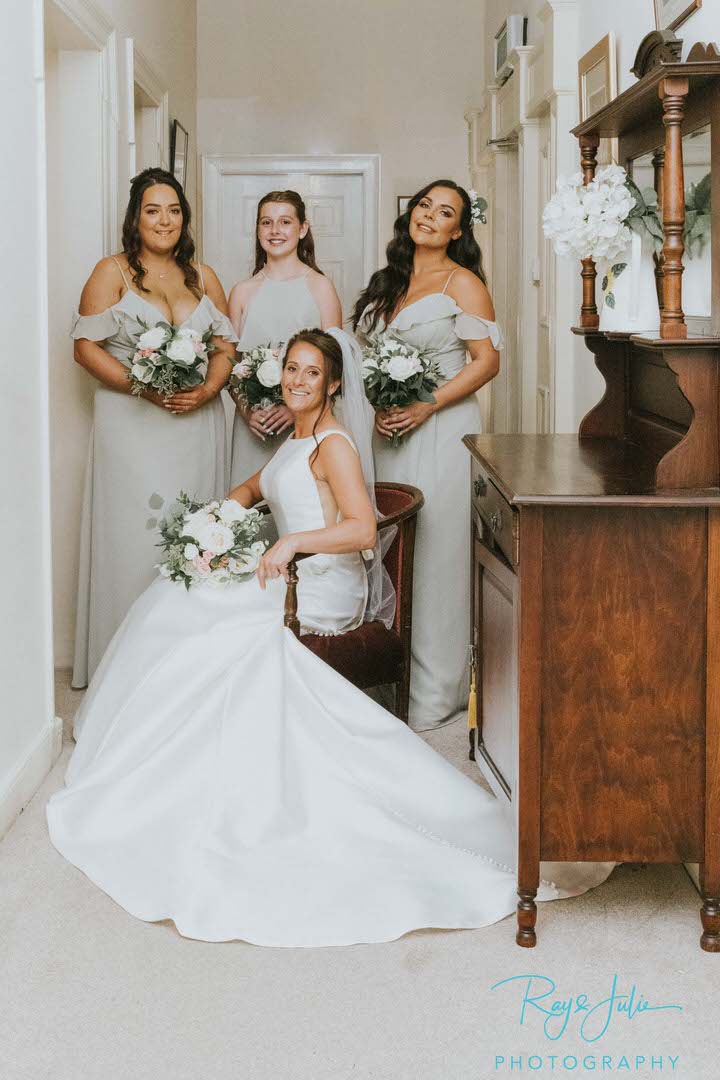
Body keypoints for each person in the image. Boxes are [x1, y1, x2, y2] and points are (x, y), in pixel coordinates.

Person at [47, 328, 613, 948]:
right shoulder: (296, 439)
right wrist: (219, 520)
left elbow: (364, 531)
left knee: (201, 621)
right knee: (180, 597)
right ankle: (147, 762)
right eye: (290, 368)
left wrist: (292, 542)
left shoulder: (335, 443)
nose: (296, 380)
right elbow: (256, 488)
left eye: (311, 373)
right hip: (288, 576)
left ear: (334, 383)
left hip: (323, 589)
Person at [71, 167, 237, 688]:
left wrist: (209, 389)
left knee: (192, 540)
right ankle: (124, 670)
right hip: (132, 427)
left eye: (173, 210)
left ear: (184, 218)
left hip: (195, 425)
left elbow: (225, 347)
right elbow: (84, 348)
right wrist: (140, 386)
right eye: (152, 209)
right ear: (135, 217)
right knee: (135, 542)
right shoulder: (111, 272)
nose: (164, 220)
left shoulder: (202, 276)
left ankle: (187, 670)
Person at [353, 180, 501, 731]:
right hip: (387, 431)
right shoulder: (387, 282)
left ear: (458, 230)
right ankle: (386, 679)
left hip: (440, 426)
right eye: (424, 206)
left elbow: (486, 362)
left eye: (445, 213)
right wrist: (378, 406)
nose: (430, 217)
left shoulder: (464, 283)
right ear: (410, 215)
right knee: (387, 547)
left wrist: (425, 406)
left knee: (435, 551)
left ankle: (434, 692)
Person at [228, 190, 342, 486]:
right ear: (258, 230)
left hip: (305, 426)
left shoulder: (320, 286)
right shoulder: (242, 291)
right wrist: (246, 411)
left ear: (302, 229)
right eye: (266, 222)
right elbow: (231, 368)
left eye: (285, 222)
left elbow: (334, 366)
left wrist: (294, 411)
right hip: (254, 429)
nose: (275, 231)